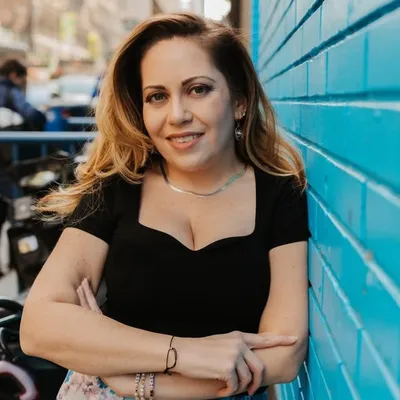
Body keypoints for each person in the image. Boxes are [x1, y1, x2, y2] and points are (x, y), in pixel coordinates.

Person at [20, 13, 310, 400]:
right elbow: (38, 327)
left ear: (240, 101)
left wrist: (128, 377)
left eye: (198, 90)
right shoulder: (116, 188)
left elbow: (283, 356)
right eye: (157, 97)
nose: (177, 115)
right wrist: (181, 354)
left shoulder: (280, 194)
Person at [0, 59, 46, 131]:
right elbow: (30, 113)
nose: (23, 84)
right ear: (13, 75)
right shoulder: (11, 90)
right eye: (23, 80)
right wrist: (43, 117)